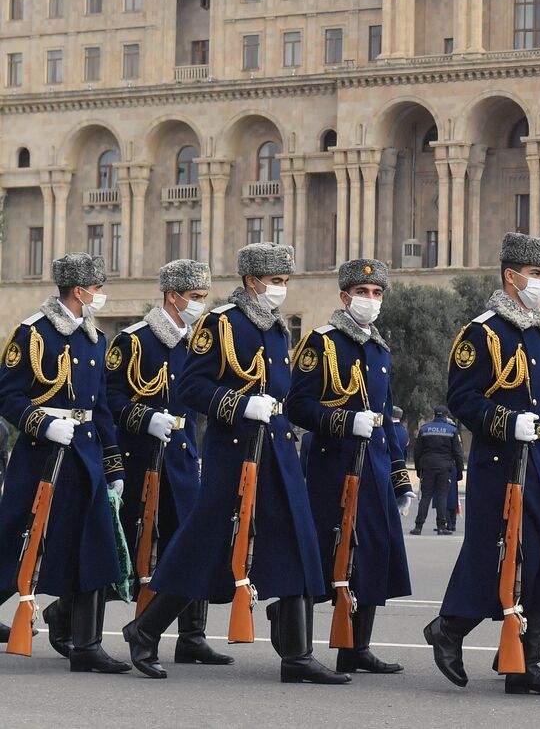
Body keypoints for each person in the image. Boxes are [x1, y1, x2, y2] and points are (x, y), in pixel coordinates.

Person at [125, 243, 342, 683]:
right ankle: (143, 630)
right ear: (251, 282)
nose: (281, 289)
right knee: (203, 546)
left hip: (278, 450)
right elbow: (191, 387)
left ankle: (297, 655)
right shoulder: (221, 324)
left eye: (285, 282)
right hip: (236, 452)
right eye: (275, 282)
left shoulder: (277, 328)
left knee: (296, 541)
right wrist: (239, 405)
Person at [424, 232, 540, 695]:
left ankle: (522, 661)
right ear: (511, 276)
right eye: (535, 274)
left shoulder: (537, 331)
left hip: (538, 462)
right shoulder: (484, 331)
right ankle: (449, 629)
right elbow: (462, 399)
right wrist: (507, 422)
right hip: (500, 460)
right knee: (496, 553)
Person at [0, 252, 128, 671]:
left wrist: (113, 466)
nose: (101, 295)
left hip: (84, 455)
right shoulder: (34, 334)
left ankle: (86, 646)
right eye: (98, 288)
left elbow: (102, 407)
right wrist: (41, 424)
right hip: (41, 456)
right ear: (79, 290)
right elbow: (8, 395)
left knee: (94, 543)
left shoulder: (95, 339)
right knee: (14, 539)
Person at [286, 258, 414, 674]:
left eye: (377, 294)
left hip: (373, 465)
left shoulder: (379, 349)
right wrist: (342, 420)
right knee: (322, 556)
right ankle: (293, 637)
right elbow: (298, 406)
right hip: (331, 466)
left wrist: (399, 477)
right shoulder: (321, 343)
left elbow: (386, 419)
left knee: (373, 553)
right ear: (345, 297)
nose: (371, 301)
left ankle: (356, 647)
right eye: (363, 293)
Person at [102, 259, 231, 668]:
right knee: (128, 548)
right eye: (194, 297)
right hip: (141, 458)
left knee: (189, 545)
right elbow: (110, 398)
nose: (199, 304)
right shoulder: (134, 341)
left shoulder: (200, 342)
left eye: (202, 297)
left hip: (181, 458)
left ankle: (191, 637)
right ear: (171, 296)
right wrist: (144, 418)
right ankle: (67, 615)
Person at [412, 405, 464, 535]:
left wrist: (418, 469)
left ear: (434, 414)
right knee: (442, 497)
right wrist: (459, 471)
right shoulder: (452, 430)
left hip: (427, 467)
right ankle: (441, 527)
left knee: (425, 497)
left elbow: (417, 452)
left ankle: (418, 527)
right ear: (446, 415)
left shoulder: (424, 429)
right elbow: (457, 453)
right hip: (445, 468)